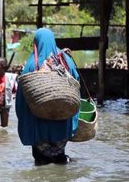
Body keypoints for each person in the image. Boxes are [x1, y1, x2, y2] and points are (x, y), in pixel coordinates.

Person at [15, 28, 80, 165]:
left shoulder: (32, 65)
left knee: (40, 164)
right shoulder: (66, 61)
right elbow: (76, 88)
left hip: (38, 127)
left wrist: (23, 117)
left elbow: (22, 97)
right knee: (59, 162)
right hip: (61, 127)